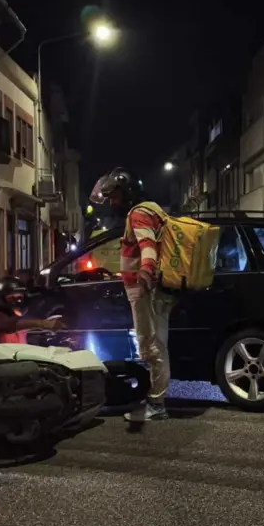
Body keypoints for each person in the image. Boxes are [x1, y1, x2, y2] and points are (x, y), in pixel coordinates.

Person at [89, 167, 170, 422]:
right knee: (157, 344)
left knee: (151, 347)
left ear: (127, 193)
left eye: (115, 197)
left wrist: (145, 270)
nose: (112, 203)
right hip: (154, 288)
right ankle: (157, 399)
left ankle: (157, 405)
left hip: (146, 289)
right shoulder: (153, 208)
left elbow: (147, 245)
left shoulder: (138, 214)